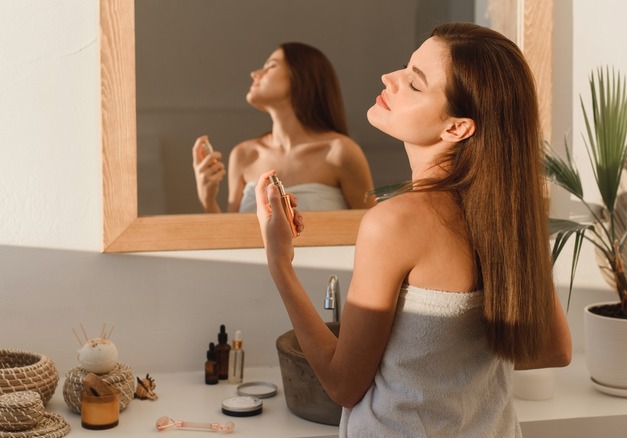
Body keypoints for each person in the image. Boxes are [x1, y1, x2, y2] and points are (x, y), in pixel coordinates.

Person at [256, 23, 571, 436]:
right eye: (405, 67)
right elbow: (554, 349)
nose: (390, 78)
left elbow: (342, 385)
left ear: (457, 127)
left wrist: (280, 264)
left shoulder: (395, 223)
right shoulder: (507, 217)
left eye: (415, 83)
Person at [192, 42, 375, 213]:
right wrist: (207, 199)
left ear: (301, 75)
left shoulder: (340, 152)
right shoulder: (244, 155)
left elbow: (369, 228)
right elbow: (231, 237)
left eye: (271, 66)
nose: (255, 73)